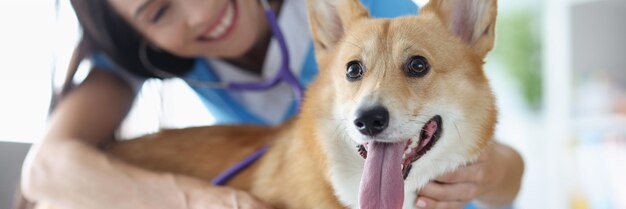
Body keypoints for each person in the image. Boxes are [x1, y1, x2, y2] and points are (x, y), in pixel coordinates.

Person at [19, 0, 524, 209]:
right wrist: (206, 201)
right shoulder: (152, 63)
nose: (201, 11)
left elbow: (512, 171)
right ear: (141, 41)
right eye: (160, 10)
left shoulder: (385, 20)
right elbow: (45, 170)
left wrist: (485, 169)